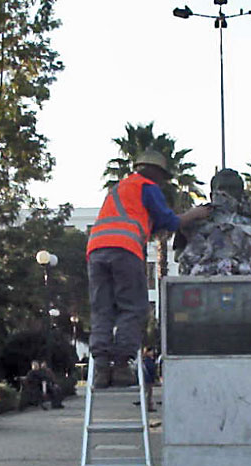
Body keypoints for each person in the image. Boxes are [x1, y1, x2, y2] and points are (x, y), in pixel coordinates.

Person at [87, 149, 212, 387]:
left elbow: (146, 223)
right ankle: (122, 366)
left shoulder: (119, 189)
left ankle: (102, 368)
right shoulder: (146, 186)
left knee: (102, 308)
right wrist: (195, 214)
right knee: (132, 306)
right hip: (124, 249)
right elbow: (170, 222)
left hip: (96, 250)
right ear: (156, 172)